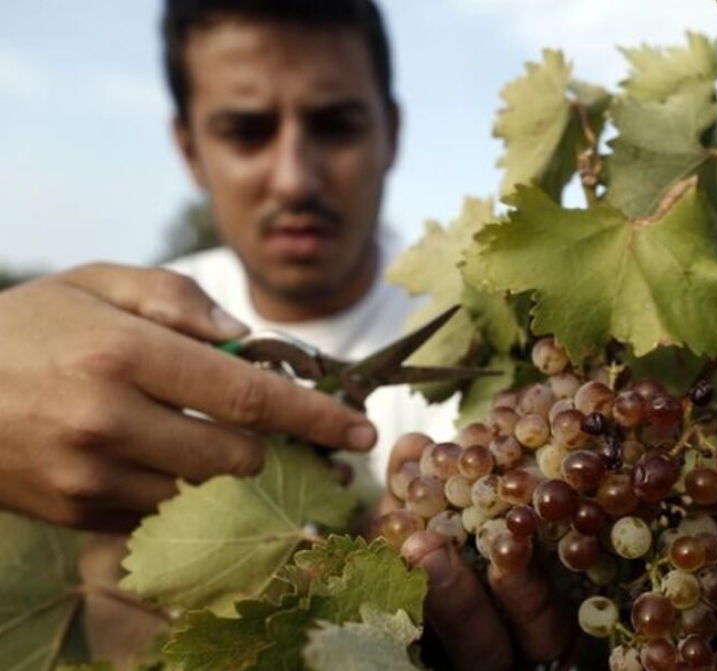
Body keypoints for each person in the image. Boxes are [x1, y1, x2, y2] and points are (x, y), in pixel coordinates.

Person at [0, 1, 571, 668]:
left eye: (336, 126)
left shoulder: (493, 335)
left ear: (391, 132)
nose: (296, 176)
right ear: (189, 148)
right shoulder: (119, 342)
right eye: (247, 132)